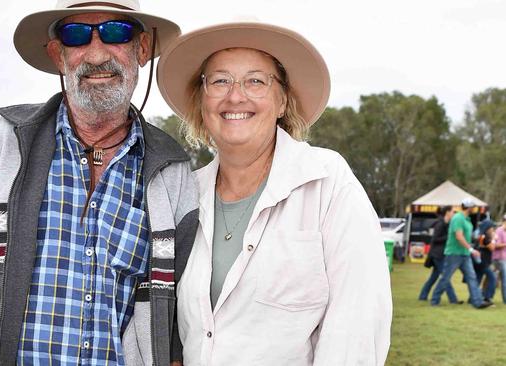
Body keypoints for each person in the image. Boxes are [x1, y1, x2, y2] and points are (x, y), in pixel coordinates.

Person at [0, 1, 198, 365]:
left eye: (117, 32)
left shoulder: (174, 173)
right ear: (58, 54)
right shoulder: (1, 145)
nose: (97, 53)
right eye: (76, 35)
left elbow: (177, 316)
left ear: (143, 49)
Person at [157, 22, 393, 365]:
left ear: (282, 100)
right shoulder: (182, 194)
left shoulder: (326, 182)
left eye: (256, 80)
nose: (235, 95)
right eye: (220, 80)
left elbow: (358, 324)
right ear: (202, 99)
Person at [430, 198, 493, 308]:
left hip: (465, 253)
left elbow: (467, 237)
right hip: (454, 253)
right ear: (468, 207)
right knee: (446, 277)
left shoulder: (467, 219)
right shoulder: (458, 218)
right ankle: (435, 300)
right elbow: (459, 236)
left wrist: (473, 243)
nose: (474, 209)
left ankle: (477, 302)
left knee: (472, 277)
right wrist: (471, 249)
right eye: (472, 207)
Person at [418, 206, 462, 303]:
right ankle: (453, 299)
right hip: (437, 255)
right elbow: (434, 239)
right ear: (447, 212)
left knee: (434, 277)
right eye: (452, 212)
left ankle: (422, 296)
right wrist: (448, 236)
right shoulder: (440, 224)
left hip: (442, 254)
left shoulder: (448, 224)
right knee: (445, 277)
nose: (454, 214)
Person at [474, 220, 497, 301]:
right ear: (487, 228)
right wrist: (494, 239)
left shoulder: (482, 236)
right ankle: (487, 298)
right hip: (483, 262)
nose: (493, 229)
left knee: (478, 280)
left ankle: (473, 298)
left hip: (481, 261)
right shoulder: (484, 237)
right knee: (493, 278)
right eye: (492, 227)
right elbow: (492, 248)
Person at [493, 214, 506, 303]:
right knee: (501, 279)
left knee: (498, 279)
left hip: (503, 258)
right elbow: (496, 245)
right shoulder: (499, 230)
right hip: (498, 259)